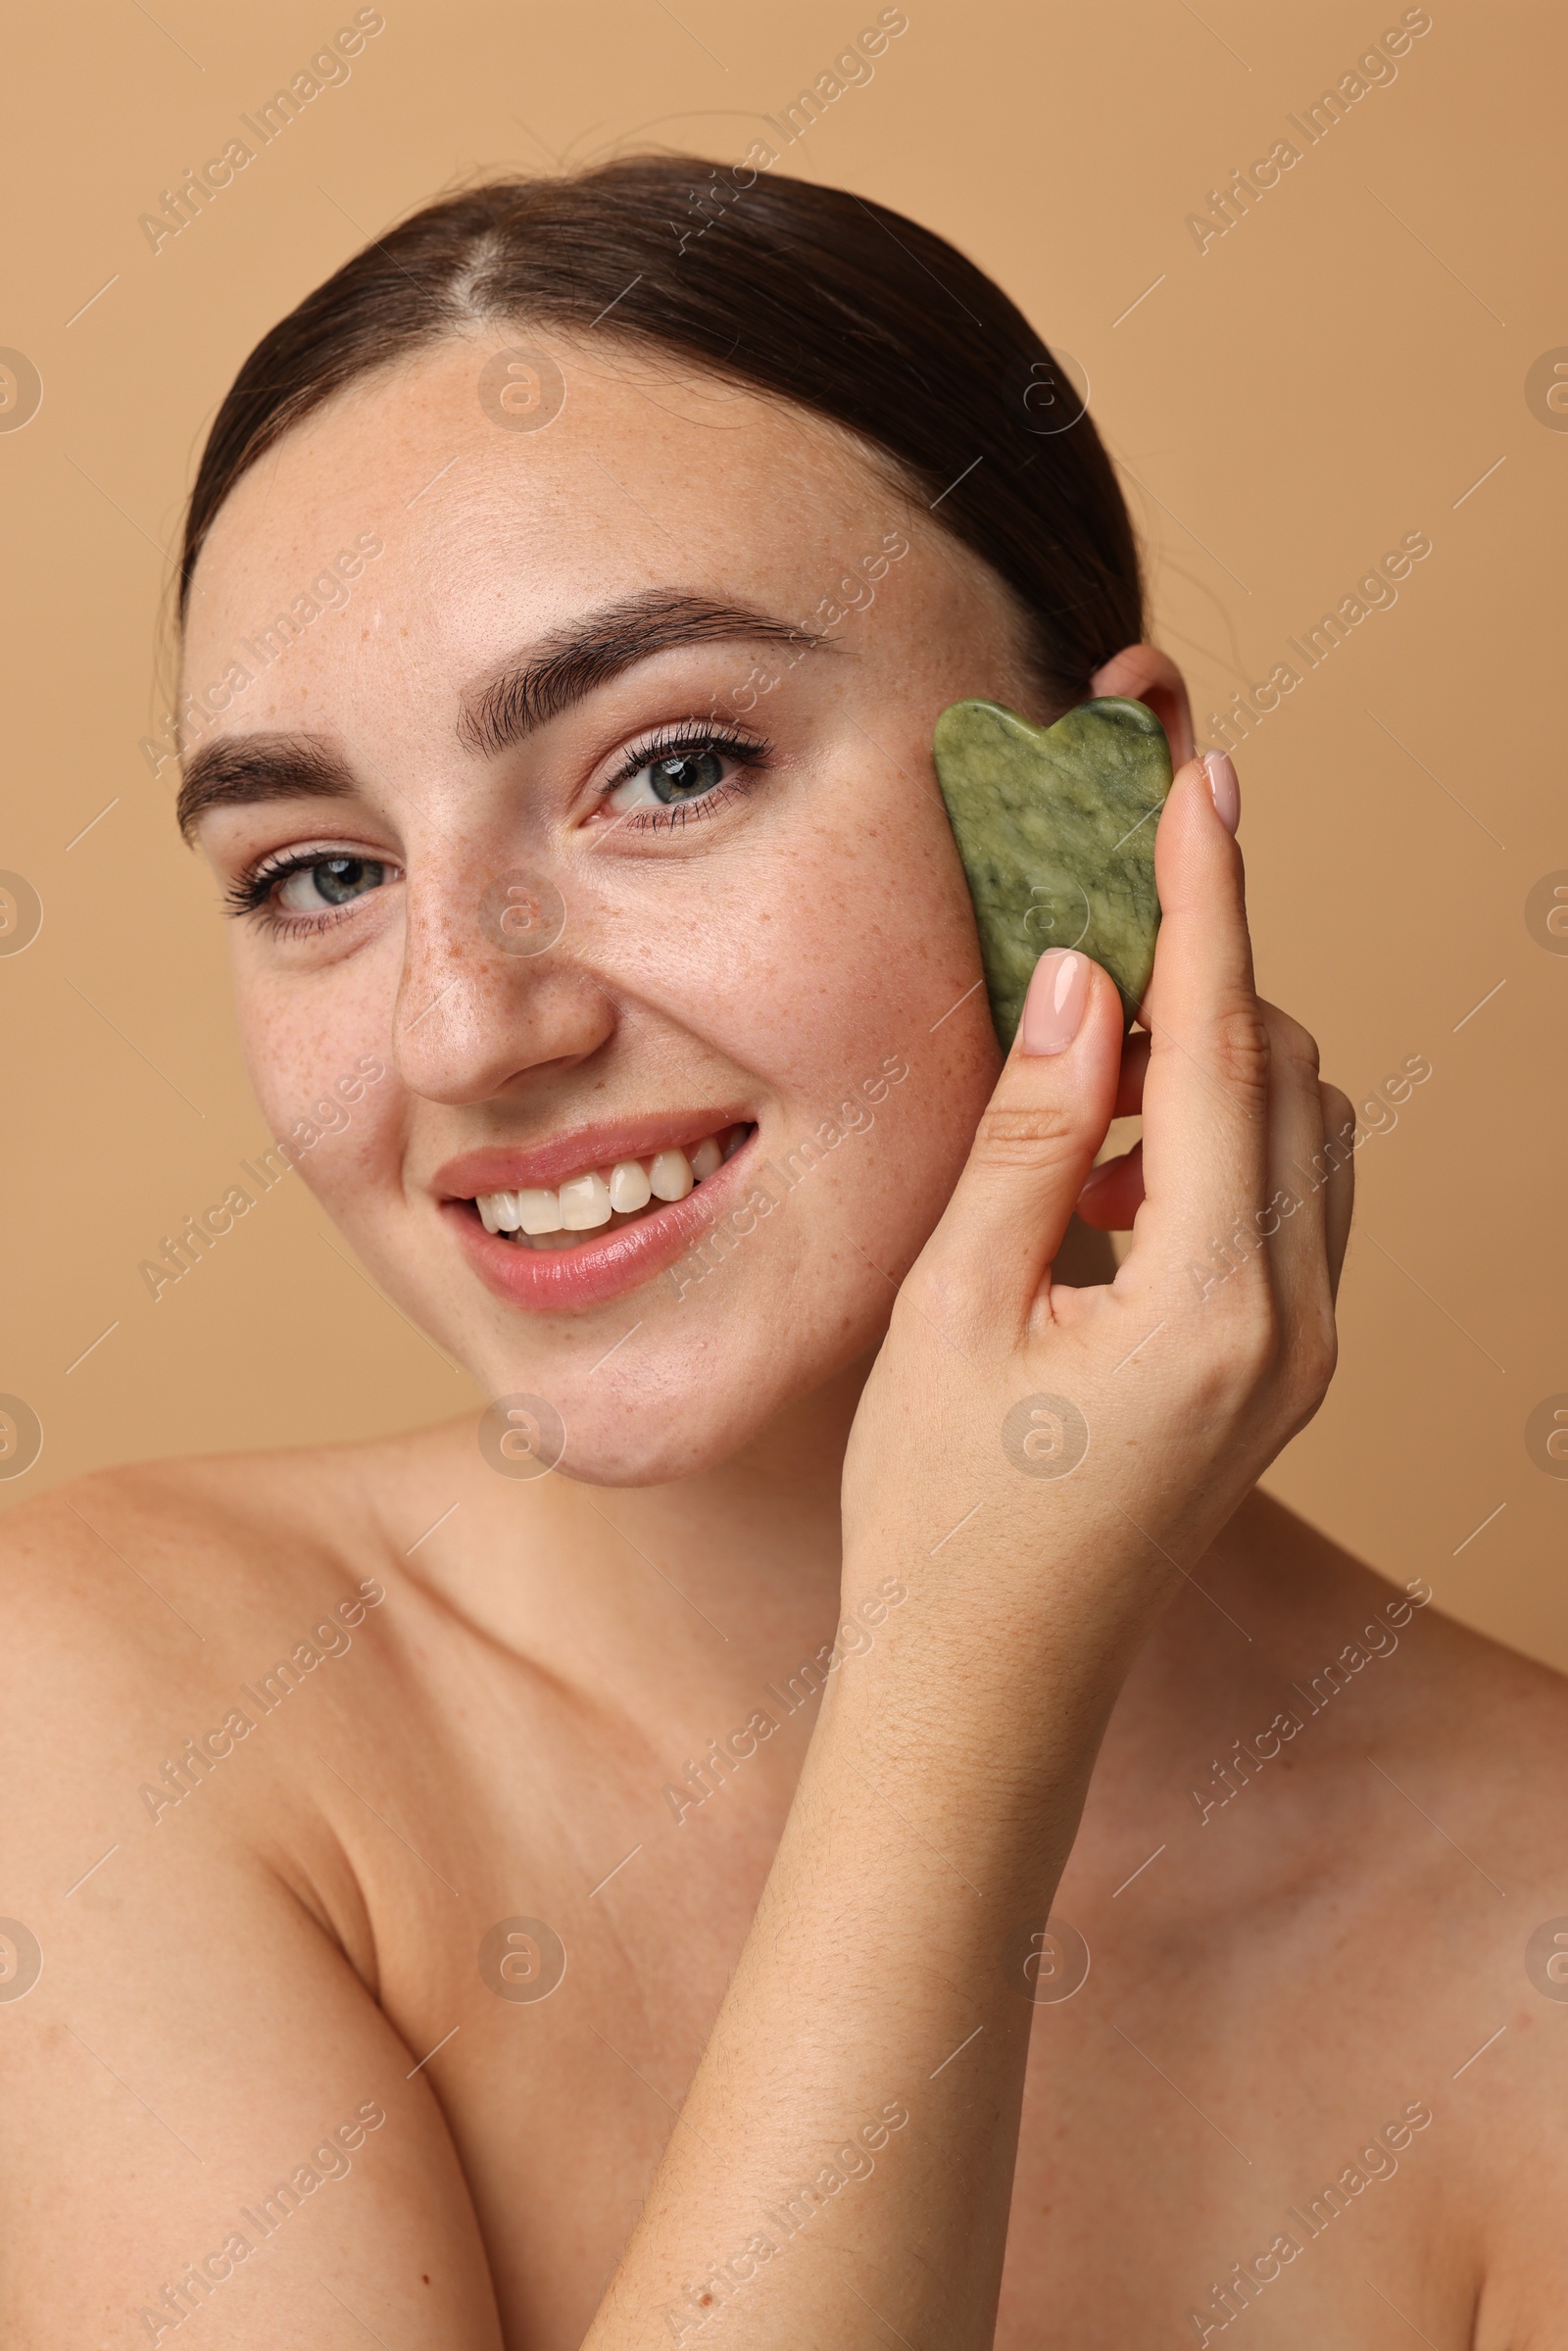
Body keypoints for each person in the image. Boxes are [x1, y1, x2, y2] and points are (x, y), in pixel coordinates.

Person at [4, 158, 1563, 2351]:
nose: (467, 1025)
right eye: (317, 873)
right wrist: (954, 1680)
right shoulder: (108, 1708)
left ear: (1094, 815)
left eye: (669, 766)